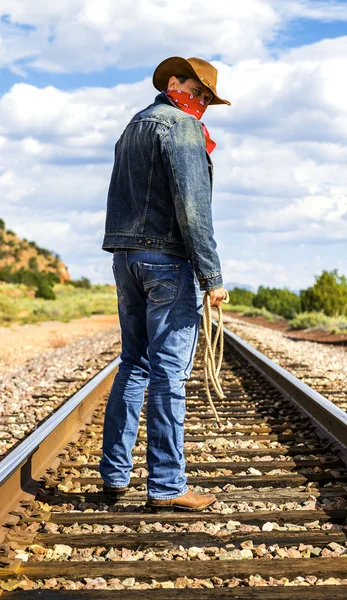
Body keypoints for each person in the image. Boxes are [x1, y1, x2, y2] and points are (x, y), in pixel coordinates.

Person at [100, 56, 231, 511]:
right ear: (172, 82)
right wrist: (211, 276)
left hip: (126, 258)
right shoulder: (181, 128)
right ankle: (168, 486)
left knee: (134, 362)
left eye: (206, 99)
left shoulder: (134, 125)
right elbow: (194, 209)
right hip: (166, 262)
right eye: (196, 91)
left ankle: (115, 476)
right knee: (169, 374)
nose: (199, 103)